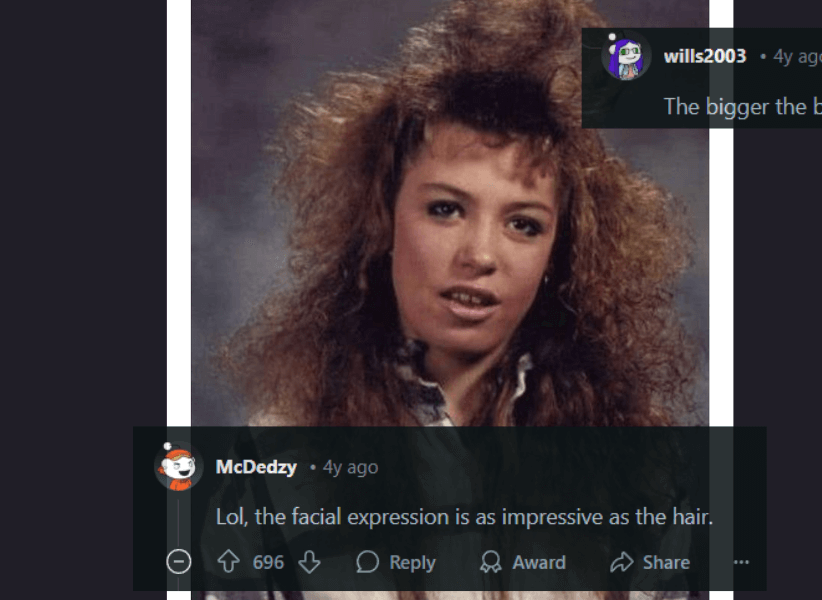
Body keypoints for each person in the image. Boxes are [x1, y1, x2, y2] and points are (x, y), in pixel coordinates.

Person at [208, 0, 701, 598]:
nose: (480, 255)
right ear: (385, 218)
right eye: (446, 209)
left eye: (523, 224)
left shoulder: (643, 476)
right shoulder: (273, 467)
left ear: (559, 255)